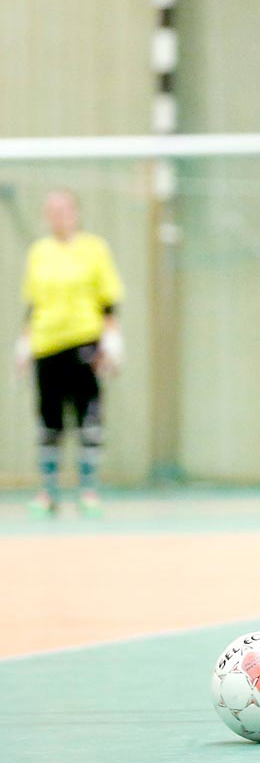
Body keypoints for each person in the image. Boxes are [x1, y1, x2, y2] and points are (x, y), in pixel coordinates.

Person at [14, 189, 124, 518]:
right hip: (47, 343)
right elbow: (32, 304)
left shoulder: (94, 249)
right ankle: (48, 493)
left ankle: (88, 492)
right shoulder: (40, 252)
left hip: (83, 340)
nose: (58, 215)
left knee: (88, 419)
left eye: (63, 209)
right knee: (49, 421)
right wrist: (23, 345)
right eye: (52, 210)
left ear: (75, 211)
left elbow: (108, 298)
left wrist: (112, 339)